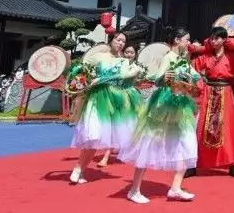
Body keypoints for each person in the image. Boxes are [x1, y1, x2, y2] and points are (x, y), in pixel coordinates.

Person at [119, 27, 202, 204]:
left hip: (181, 105)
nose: (189, 42)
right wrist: (165, 76)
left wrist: (197, 77)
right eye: (187, 39)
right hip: (163, 105)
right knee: (149, 144)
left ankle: (176, 188)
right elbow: (156, 78)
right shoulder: (168, 58)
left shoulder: (183, 60)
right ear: (177, 40)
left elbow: (195, 76)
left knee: (187, 142)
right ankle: (134, 190)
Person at [69, 33, 142, 185]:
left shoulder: (123, 61)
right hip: (96, 97)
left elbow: (121, 77)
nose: (121, 43)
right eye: (118, 40)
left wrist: (134, 73)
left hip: (112, 99)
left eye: (123, 41)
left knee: (98, 139)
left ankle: (80, 170)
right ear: (111, 40)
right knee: (93, 135)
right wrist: (82, 82)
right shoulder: (98, 56)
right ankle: (78, 168)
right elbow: (82, 70)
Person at [185, 26, 234, 179]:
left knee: (228, 129)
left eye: (217, 38)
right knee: (203, 128)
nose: (213, 41)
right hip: (209, 92)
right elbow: (191, 69)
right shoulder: (205, 57)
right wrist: (191, 52)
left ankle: (232, 164)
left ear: (224, 40)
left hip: (226, 93)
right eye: (212, 38)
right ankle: (194, 164)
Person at [97, 44, 139, 168]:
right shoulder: (117, 64)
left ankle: (108, 155)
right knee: (115, 125)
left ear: (135, 54)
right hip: (115, 94)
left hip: (128, 97)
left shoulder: (136, 68)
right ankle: (109, 154)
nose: (129, 55)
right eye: (126, 52)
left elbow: (125, 75)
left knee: (125, 126)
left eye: (131, 52)